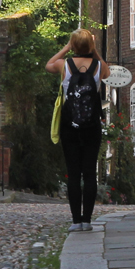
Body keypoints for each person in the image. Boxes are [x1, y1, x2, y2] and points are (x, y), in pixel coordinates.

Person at [46, 28, 109, 232]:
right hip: (92, 125)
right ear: (90, 46)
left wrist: (66, 48)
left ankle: (75, 221)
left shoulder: (65, 66)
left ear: (73, 45)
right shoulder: (98, 66)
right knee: (90, 173)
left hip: (69, 125)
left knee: (73, 174)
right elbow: (107, 72)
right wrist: (94, 50)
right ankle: (87, 220)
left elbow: (48, 65)